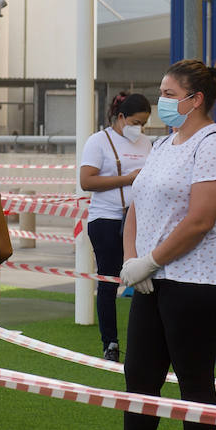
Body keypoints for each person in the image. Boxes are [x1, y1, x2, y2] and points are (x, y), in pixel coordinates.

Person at [76, 59, 216, 430]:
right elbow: (137, 205)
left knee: (194, 378)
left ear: (196, 99)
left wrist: (149, 261)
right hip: (155, 278)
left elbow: (200, 220)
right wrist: (135, 260)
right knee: (140, 375)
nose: (161, 101)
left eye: (169, 93)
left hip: (200, 278)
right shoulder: (165, 143)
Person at [79, 91, 152, 361]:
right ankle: (110, 343)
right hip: (107, 219)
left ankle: (144, 342)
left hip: (141, 219)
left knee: (145, 280)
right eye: (135, 122)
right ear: (121, 117)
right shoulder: (98, 141)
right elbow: (87, 181)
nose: (139, 128)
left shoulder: (147, 143)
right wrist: (127, 179)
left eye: (143, 123)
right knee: (109, 281)